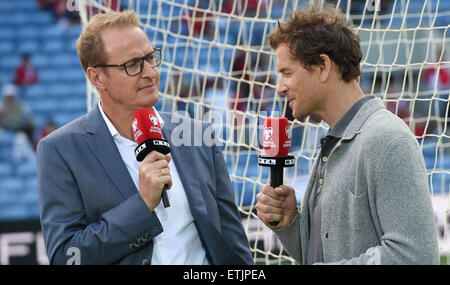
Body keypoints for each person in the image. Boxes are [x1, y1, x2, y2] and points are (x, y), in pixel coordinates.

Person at [37, 11, 253, 265]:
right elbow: (67, 258)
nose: (150, 72)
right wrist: (141, 205)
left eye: (151, 58)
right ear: (96, 77)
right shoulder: (60, 150)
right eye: (133, 64)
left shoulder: (197, 134)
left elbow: (232, 244)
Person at [255, 6, 439, 265]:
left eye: (287, 72)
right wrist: (291, 223)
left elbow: (414, 256)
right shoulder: (334, 141)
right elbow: (323, 254)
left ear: (323, 67)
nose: (279, 87)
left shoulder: (388, 140)